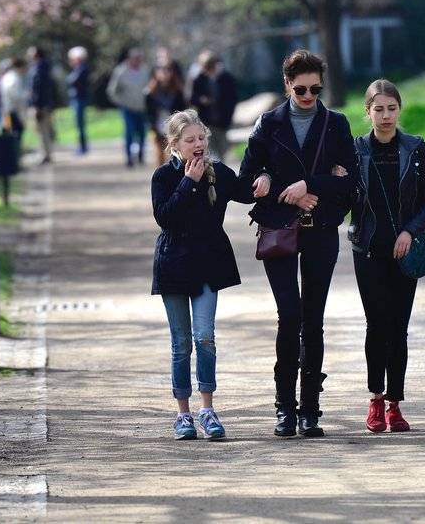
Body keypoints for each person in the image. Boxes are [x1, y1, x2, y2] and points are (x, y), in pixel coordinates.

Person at [238, 49, 357, 438]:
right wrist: (273, 184)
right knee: (289, 316)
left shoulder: (336, 124)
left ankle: (310, 411)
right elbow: (246, 181)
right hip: (279, 229)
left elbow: (350, 185)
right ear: (287, 84)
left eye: (316, 89)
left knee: (314, 321)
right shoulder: (268, 124)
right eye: (301, 89)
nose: (309, 96)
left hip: (321, 230)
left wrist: (312, 185)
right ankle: (283, 408)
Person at [152, 109, 271, 440]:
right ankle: (183, 415)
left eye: (201, 138)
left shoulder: (217, 172)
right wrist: (189, 183)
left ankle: (208, 408)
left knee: (204, 337)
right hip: (173, 265)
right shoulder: (163, 176)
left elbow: (246, 190)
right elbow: (166, 217)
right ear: (175, 145)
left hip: (207, 265)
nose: (198, 144)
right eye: (190, 140)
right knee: (180, 344)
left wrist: (264, 180)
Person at [348, 79, 425, 433]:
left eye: (392, 109)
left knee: (398, 329)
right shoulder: (356, 150)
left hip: (404, 252)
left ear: (399, 110)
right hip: (368, 250)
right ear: (367, 112)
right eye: (378, 109)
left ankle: (395, 405)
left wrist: (409, 230)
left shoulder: (416, 149)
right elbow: (347, 202)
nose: (385, 116)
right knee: (377, 325)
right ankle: (375, 399)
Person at [191, 52, 238, 163]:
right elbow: (193, 98)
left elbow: (232, 99)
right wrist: (201, 100)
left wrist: (228, 116)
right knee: (209, 150)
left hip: (222, 121)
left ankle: (220, 174)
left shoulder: (226, 78)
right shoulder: (199, 79)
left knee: (222, 150)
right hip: (206, 121)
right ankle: (211, 174)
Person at [107, 47, 149, 166]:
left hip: (141, 108)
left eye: (139, 59)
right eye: (135, 59)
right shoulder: (121, 71)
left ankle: (141, 156)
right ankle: (129, 158)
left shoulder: (143, 71)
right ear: (130, 59)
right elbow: (112, 91)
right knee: (130, 133)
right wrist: (120, 102)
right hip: (127, 108)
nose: (137, 61)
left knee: (142, 133)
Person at [145, 65, 188, 167]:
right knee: (158, 155)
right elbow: (148, 112)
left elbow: (183, 110)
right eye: (161, 70)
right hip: (157, 125)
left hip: (173, 126)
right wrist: (151, 126)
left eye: (167, 70)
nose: (164, 73)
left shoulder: (178, 91)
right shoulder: (151, 92)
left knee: (172, 154)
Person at [26, 46, 56, 163]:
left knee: (43, 130)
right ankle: (45, 152)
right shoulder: (41, 67)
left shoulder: (40, 68)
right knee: (42, 130)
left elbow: (39, 88)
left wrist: (37, 105)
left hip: (40, 105)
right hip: (42, 103)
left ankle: (46, 154)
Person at [0, 57, 28, 154]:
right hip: (13, 111)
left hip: (9, 110)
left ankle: (15, 155)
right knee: (16, 135)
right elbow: (15, 95)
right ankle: (15, 156)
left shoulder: (8, 76)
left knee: (13, 134)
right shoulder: (14, 77)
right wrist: (25, 95)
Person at [65, 46, 91, 155]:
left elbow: (70, 81)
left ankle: (83, 147)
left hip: (80, 99)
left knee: (80, 124)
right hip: (77, 99)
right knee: (79, 124)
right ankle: (82, 146)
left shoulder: (82, 68)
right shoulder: (79, 68)